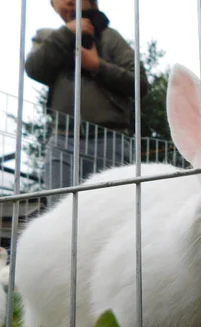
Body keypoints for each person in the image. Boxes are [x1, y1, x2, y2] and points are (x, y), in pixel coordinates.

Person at [25, 0, 149, 204]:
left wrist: (97, 65)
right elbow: (34, 69)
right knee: (59, 214)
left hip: (110, 140)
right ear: (54, 7)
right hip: (62, 140)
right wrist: (67, 33)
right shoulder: (49, 38)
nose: (68, 2)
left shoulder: (110, 37)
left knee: (110, 212)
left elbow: (140, 83)